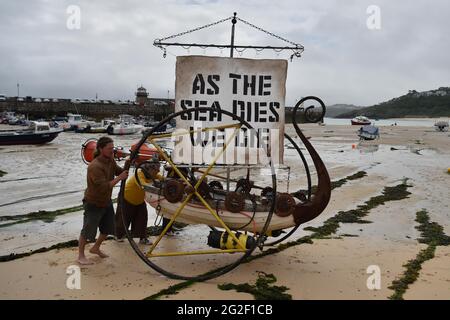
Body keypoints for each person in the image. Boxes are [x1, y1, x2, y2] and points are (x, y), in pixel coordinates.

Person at [77, 136, 129, 265]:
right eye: (109, 148)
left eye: (113, 148)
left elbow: (119, 172)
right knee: (88, 231)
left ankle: (95, 248)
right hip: (93, 202)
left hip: (106, 201)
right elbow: (103, 187)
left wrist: (129, 162)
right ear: (101, 149)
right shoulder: (95, 166)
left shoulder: (110, 160)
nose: (113, 150)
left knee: (108, 228)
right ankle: (80, 256)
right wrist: (120, 178)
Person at [115, 161, 163, 244]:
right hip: (126, 198)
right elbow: (143, 185)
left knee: (142, 218)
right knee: (123, 219)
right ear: (150, 169)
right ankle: (118, 236)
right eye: (157, 169)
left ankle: (143, 238)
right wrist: (156, 187)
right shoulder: (139, 173)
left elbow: (162, 178)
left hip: (139, 200)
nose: (158, 171)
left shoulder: (153, 174)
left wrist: (167, 181)